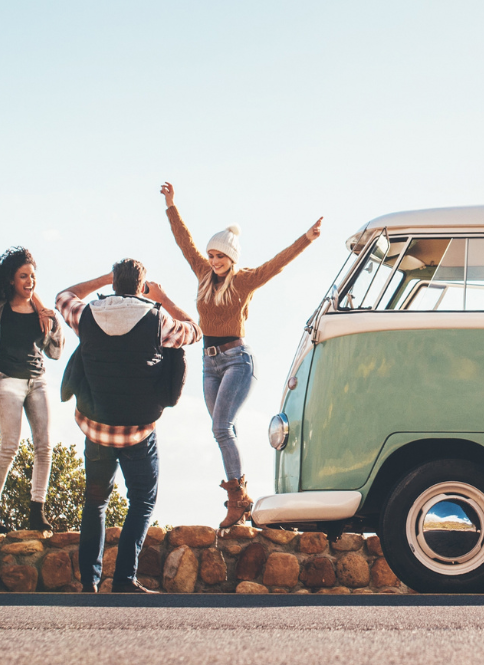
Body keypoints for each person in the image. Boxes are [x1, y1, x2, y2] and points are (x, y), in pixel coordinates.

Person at [159, 182, 322, 529]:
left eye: (221, 257)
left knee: (221, 427)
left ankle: (238, 500)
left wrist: (306, 239)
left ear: (232, 258)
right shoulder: (204, 274)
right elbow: (184, 243)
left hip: (237, 361)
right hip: (210, 363)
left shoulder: (244, 281)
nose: (215, 262)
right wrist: (172, 205)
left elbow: (277, 264)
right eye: (213, 256)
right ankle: (241, 499)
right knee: (222, 430)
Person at [55, 260, 201, 593]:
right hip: (138, 430)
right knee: (142, 500)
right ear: (142, 285)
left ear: (116, 282)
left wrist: (104, 280)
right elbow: (194, 330)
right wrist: (162, 297)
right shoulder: (157, 318)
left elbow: (63, 297)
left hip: (97, 428)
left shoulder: (88, 314)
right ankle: (124, 578)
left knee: (95, 502)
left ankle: (90, 581)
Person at [0, 247, 64, 535]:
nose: (29, 281)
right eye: (23, 276)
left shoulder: (42, 313)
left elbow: (55, 352)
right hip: (8, 382)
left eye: (32, 276)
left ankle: (37, 512)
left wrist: (53, 322)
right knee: (10, 446)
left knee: (44, 447)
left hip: (37, 381)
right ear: (12, 280)